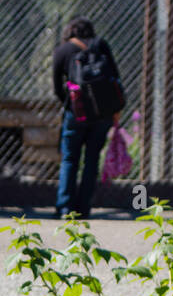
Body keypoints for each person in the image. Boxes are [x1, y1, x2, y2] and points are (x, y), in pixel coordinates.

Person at [52, 18, 124, 219]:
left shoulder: (62, 51)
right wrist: (116, 108)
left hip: (76, 113)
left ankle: (65, 208)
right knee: (92, 160)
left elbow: (57, 88)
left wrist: (70, 104)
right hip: (103, 114)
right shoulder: (101, 45)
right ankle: (83, 209)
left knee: (70, 159)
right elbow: (115, 78)